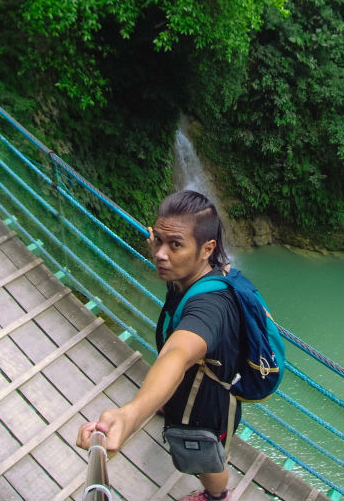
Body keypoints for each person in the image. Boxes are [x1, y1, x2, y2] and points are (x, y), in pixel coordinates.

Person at [77, 190, 241, 501]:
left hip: (207, 399)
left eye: (175, 245)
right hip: (186, 386)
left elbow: (177, 356)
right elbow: (167, 249)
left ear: (208, 249)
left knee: (207, 454)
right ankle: (166, 402)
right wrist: (167, 244)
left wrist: (130, 415)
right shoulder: (186, 269)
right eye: (159, 242)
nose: (160, 255)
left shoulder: (212, 306)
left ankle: (217, 495)